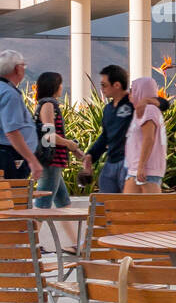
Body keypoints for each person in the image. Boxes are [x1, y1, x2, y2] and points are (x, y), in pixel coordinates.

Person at [33, 72, 85, 209]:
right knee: (42, 205)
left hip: (54, 161)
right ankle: (29, 231)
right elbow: (50, 136)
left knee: (63, 203)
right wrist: (70, 144)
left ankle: (75, 232)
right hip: (52, 161)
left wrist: (75, 149)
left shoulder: (46, 104)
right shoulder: (48, 104)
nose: (62, 87)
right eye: (60, 84)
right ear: (54, 86)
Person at [83, 64, 134, 193]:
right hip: (111, 162)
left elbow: (161, 104)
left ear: (117, 85)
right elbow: (105, 136)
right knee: (105, 205)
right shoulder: (108, 109)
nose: (102, 89)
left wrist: (151, 101)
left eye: (104, 85)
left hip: (128, 163)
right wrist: (91, 155)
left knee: (126, 206)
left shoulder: (134, 103)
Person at [0, 50, 41, 181]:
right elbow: (12, 131)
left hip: (6, 154)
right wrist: (32, 160)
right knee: (13, 197)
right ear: (17, 68)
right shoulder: (9, 94)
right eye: (24, 65)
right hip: (9, 156)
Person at [123, 76, 167, 194]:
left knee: (151, 210)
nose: (130, 93)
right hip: (135, 169)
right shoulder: (141, 110)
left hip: (146, 171)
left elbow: (149, 138)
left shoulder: (149, 110)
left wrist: (141, 166)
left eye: (133, 90)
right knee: (127, 209)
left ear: (141, 91)